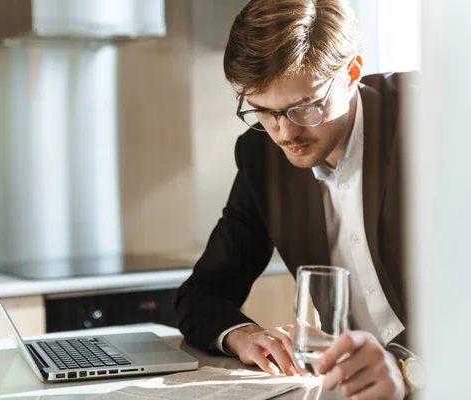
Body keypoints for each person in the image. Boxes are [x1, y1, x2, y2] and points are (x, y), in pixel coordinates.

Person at [175, 0, 424, 398]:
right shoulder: (261, 158)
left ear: (352, 72)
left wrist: (406, 364)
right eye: (263, 110)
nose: (285, 133)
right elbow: (203, 293)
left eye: (303, 108)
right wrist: (243, 336)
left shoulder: (434, 116)